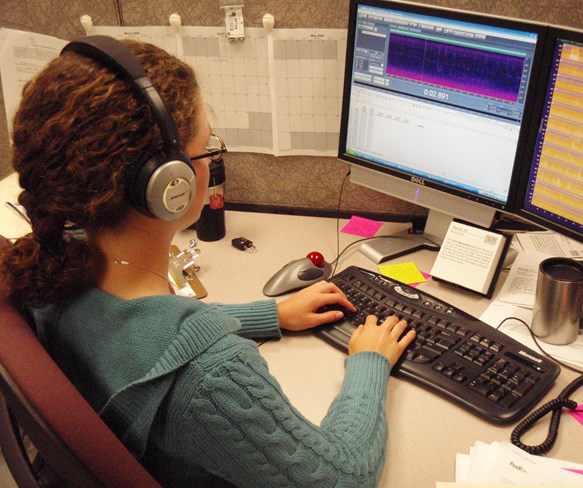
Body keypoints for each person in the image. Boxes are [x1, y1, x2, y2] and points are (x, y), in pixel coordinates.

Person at [0, 38, 415, 487]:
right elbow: (341, 479)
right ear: (168, 183)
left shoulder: (55, 261)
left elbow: (144, 336)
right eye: (206, 147)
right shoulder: (211, 380)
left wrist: (270, 313)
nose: (212, 158)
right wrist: (369, 363)